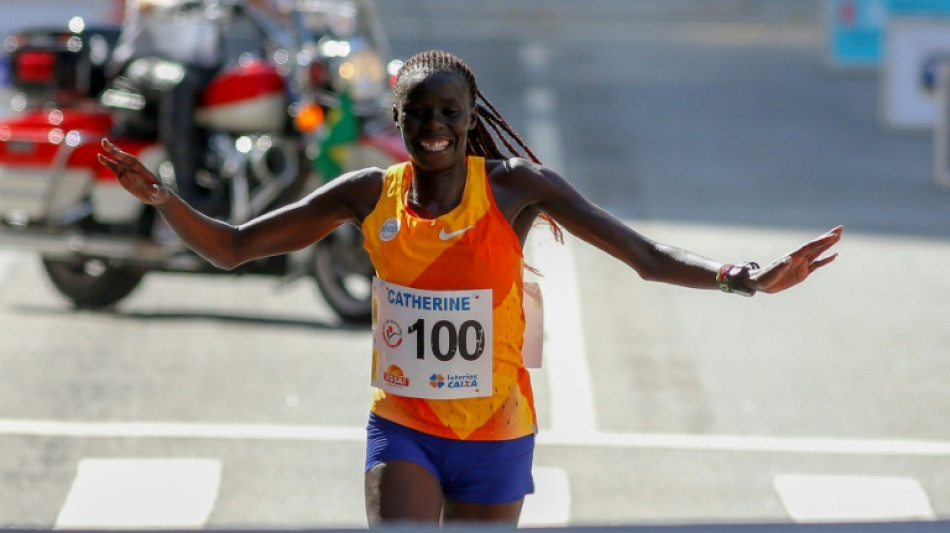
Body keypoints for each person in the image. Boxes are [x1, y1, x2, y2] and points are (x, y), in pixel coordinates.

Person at [98, 49, 843, 526]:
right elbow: (234, 248)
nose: (434, 128)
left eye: (449, 114)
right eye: (419, 114)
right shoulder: (367, 193)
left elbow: (641, 255)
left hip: (497, 430)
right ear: (400, 119)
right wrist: (161, 196)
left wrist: (744, 278)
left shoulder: (517, 190)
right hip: (406, 428)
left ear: (468, 118)